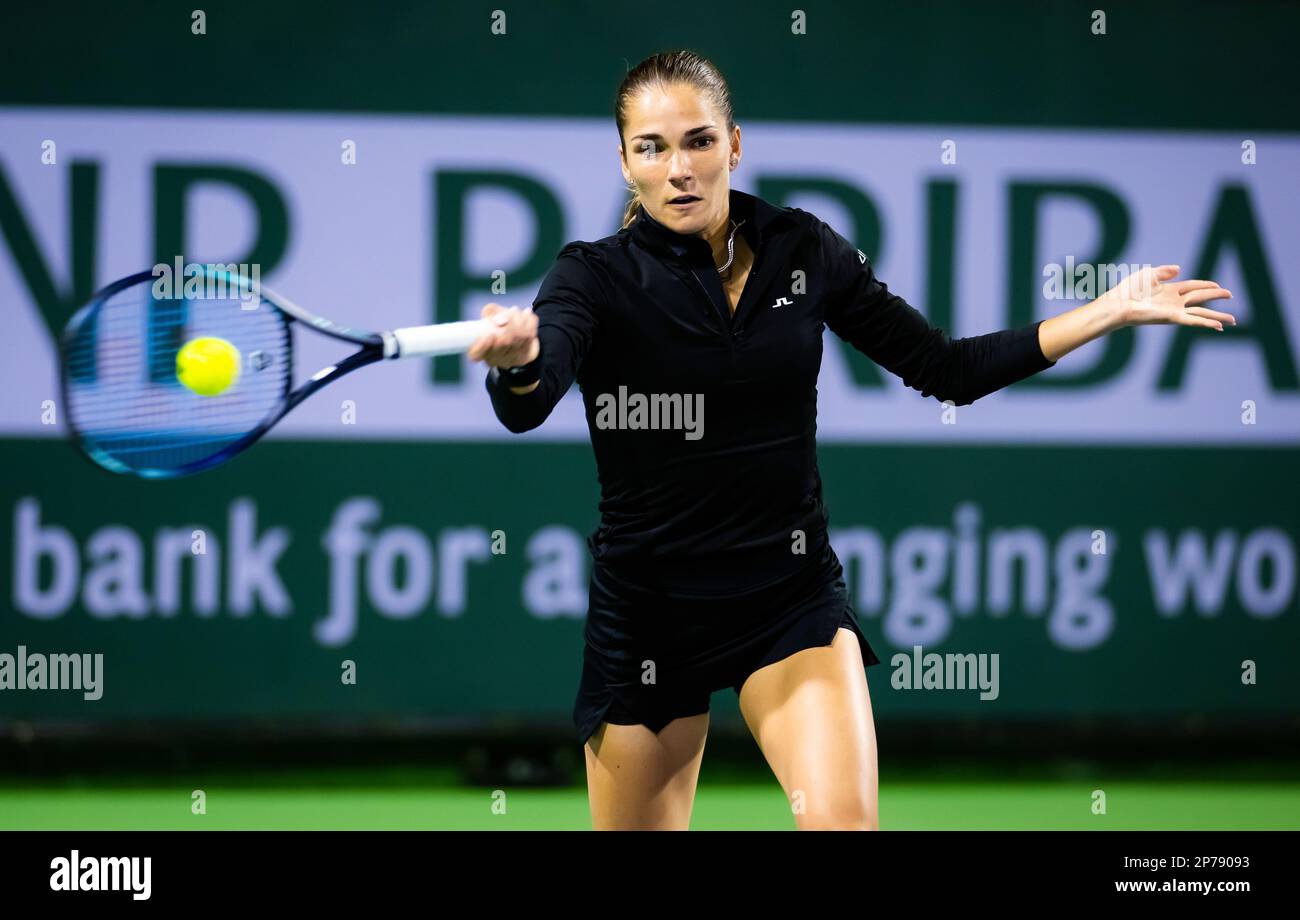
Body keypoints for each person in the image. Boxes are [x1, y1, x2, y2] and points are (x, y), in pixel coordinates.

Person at [468, 50, 1236, 830]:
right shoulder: (592, 277)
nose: (678, 170)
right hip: (649, 612)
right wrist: (521, 362)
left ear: (735, 145)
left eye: (699, 141)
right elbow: (529, 401)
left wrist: (1105, 312)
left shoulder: (804, 251)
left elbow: (948, 368)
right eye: (651, 148)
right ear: (625, 161)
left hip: (786, 600)